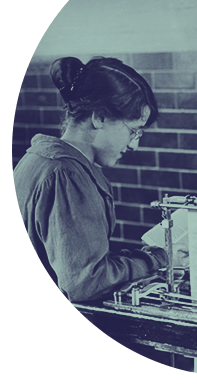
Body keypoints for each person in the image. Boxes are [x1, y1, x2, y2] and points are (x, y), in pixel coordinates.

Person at [13, 57, 168, 302]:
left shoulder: (39, 160)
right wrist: (156, 259)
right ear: (99, 117)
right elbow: (88, 282)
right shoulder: (66, 176)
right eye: (133, 130)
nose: (135, 145)